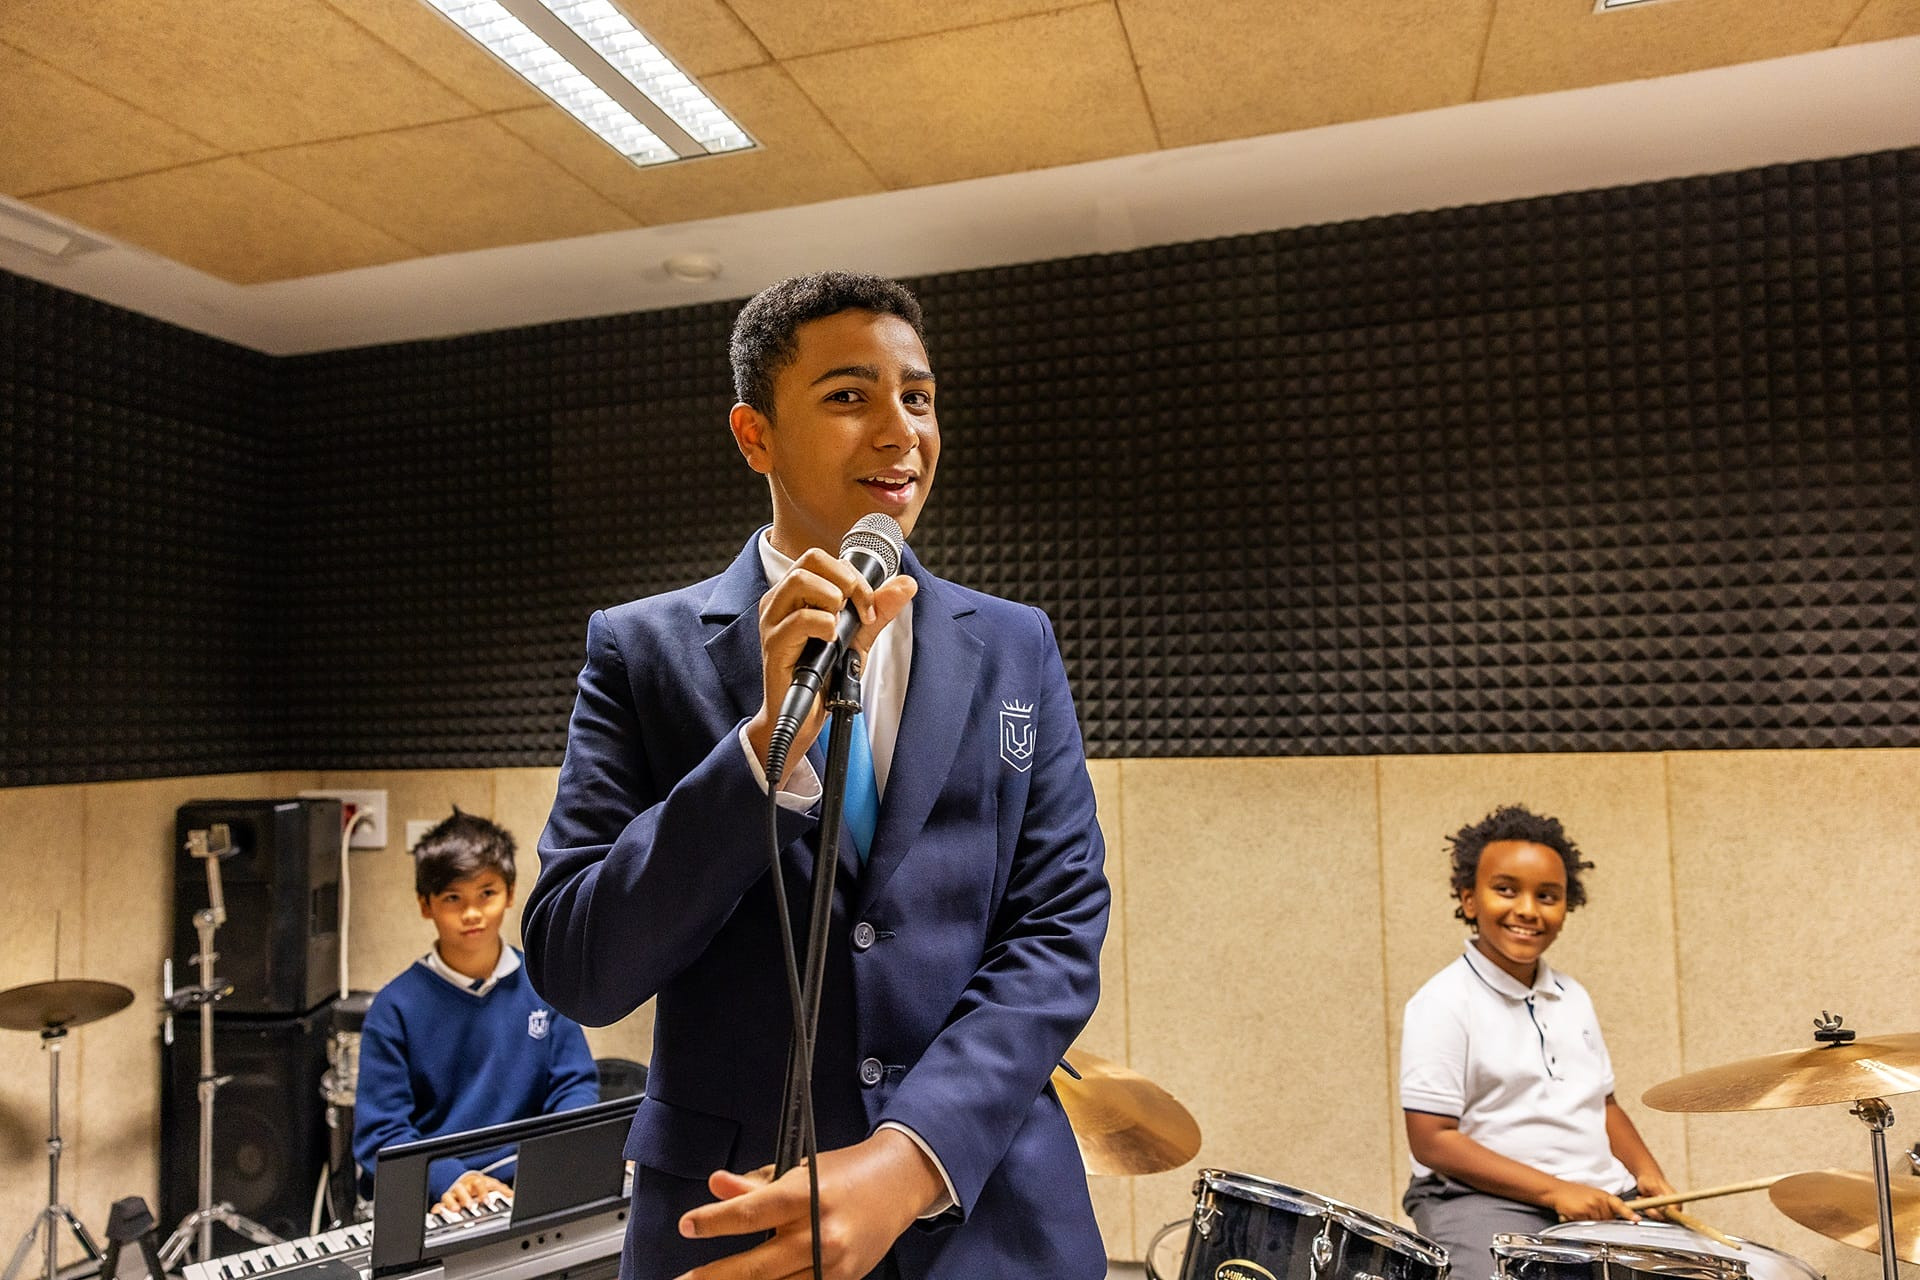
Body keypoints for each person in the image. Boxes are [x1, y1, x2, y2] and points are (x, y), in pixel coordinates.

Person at [523, 271, 1110, 1280]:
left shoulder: (1015, 645)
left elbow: (1057, 928)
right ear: (755, 436)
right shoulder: (639, 650)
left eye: (917, 396)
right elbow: (581, 964)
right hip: (737, 1213)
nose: (900, 431)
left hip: (986, 1214)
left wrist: (904, 1158)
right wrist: (761, 751)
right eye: (850, 396)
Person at [1399, 804, 1677, 1280]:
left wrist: (1648, 1175)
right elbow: (1432, 1141)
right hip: (1478, 1197)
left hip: (1597, 1192)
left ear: (1566, 908)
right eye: (1506, 890)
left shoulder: (1573, 996)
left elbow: (1602, 1103)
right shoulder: (1442, 1002)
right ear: (1469, 900)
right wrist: (1554, 1192)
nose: (1527, 909)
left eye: (1547, 896)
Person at [353, 809, 600, 1214]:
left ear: (511, 892)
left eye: (487, 893)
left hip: (529, 1187)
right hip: (441, 1196)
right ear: (425, 905)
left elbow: (574, 1089)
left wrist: (554, 1162)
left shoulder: (544, 984)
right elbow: (382, 1132)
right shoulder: (393, 1007)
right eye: (453, 898)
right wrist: (450, 1179)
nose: (471, 913)